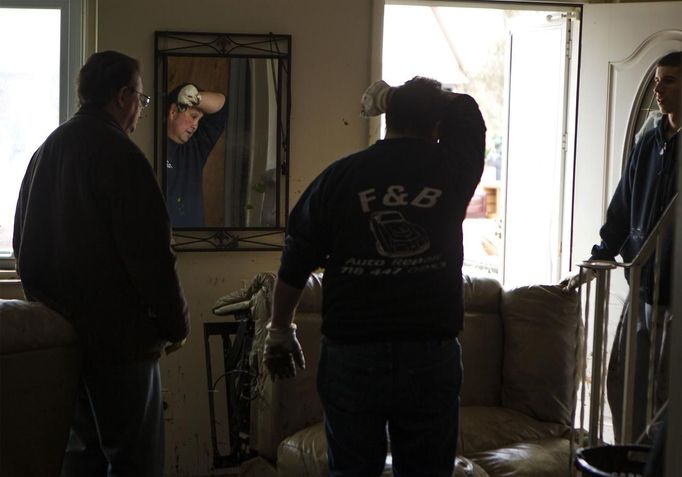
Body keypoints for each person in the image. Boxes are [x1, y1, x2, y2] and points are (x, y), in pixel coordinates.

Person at [262, 77, 486, 476]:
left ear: (388, 120)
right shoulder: (452, 169)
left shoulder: (341, 177)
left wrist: (280, 329)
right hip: (428, 354)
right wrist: (399, 96)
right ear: (436, 126)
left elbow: (295, 258)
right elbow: (468, 113)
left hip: (353, 356)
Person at [13, 50, 190, 477]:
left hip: (63, 338)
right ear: (123, 95)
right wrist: (175, 324)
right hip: (121, 342)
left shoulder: (46, 151)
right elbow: (151, 256)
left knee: (81, 457)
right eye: (143, 101)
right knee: (136, 461)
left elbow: (23, 243)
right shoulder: (122, 156)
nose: (140, 112)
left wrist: (54, 314)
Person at [572, 51, 680, 442]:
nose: (659, 90)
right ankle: (626, 458)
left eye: (669, 80)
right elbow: (624, 200)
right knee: (621, 381)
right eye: (657, 81)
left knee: (664, 394)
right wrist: (603, 251)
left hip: (675, 291)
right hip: (641, 281)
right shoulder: (649, 139)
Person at [165, 82, 227, 227]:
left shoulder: (196, 147)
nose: (195, 125)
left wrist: (197, 98)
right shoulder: (151, 144)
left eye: (199, 120)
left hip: (192, 244)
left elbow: (223, 108)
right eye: (193, 116)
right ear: (173, 112)